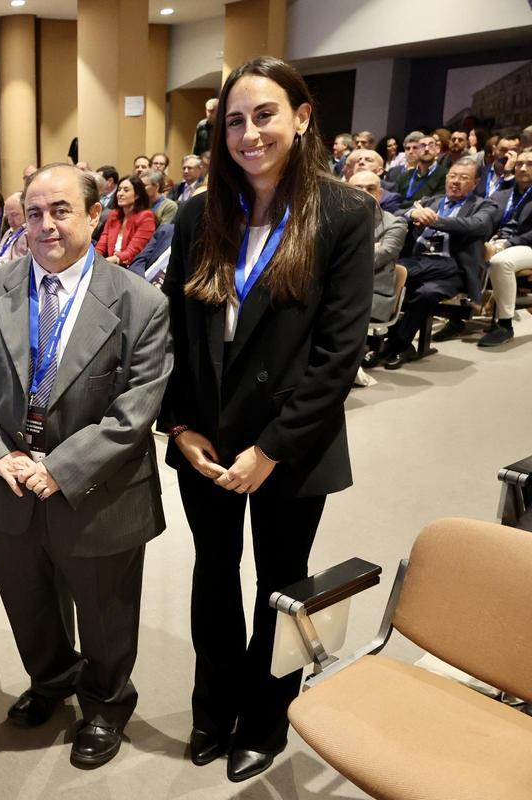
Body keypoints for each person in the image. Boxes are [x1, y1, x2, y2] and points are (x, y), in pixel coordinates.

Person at [158, 57, 373, 783]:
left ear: (303, 117)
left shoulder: (343, 212)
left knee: (280, 582)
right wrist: (179, 426)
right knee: (213, 575)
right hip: (207, 443)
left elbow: (338, 357)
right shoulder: (197, 211)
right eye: (233, 122)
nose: (248, 134)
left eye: (265, 115)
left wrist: (271, 450)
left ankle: (266, 715)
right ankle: (212, 706)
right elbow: (177, 335)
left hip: (291, 444)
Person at [0, 163, 171, 769]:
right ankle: (50, 680)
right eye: (34, 212)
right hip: (8, 487)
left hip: (97, 491)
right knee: (28, 601)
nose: (45, 225)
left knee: (104, 610)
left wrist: (63, 467)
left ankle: (105, 702)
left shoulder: (140, 302)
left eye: (62, 211)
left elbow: (135, 409)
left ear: (95, 216)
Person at [365, 158, 497, 367]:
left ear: (476, 182)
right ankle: (385, 343)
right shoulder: (430, 200)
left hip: (453, 268)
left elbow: (477, 226)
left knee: (419, 289)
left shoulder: (484, 205)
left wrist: (435, 220)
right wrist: (412, 213)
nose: (456, 182)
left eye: (464, 178)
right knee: (389, 278)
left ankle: (394, 345)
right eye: (452, 176)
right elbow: (396, 215)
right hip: (420, 261)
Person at [477, 148, 532, 347]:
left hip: (526, 245)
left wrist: (506, 244)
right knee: (464, 247)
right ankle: (457, 317)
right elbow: (484, 221)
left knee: (501, 261)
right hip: (497, 241)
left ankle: (505, 324)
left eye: (530, 164)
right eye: (519, 164)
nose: (523, 168)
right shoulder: (502, 195)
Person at [348, 170, 409, 321]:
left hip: (372, 297)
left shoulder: (395, 223)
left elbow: (375, 259)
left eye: (370, 189)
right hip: (338, 292)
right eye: (357, 188)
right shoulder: (334, 219)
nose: (364, 193)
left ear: (380, 194)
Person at [96, 175, 156, 267]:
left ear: (137, 195)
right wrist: (94, 259)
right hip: (109, 263)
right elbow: (102, 243)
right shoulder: (114, 214)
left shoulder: (146, 217)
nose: (120, 193)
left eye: (126, 190)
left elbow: (132, 252)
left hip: (128, 267)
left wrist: (103, 262)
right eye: (119, 189)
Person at [0, 191, 30, 263]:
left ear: (26, 211)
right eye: (7, 216)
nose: (10, 221)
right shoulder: (8, 232)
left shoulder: (30, 234)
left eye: (14, 215)